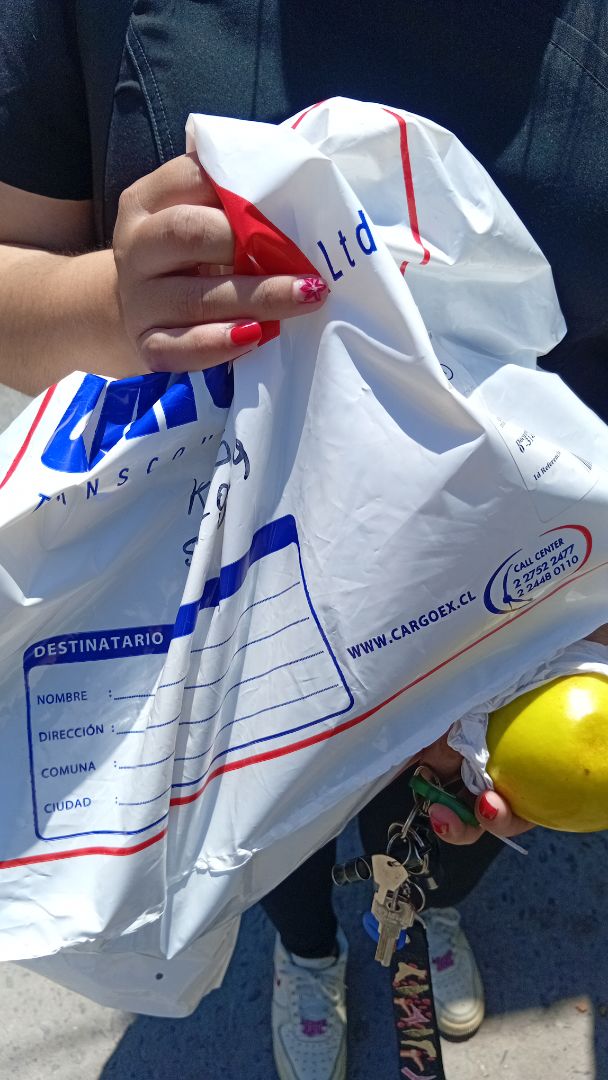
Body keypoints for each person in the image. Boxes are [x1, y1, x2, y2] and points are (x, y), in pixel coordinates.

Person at [0, 3, 606, 1079]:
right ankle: (310, 953)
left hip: (508, 620)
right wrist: (112, 300)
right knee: (271, 839)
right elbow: (17, 281)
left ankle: (415, 914)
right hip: (242, 613)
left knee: (452, 829)